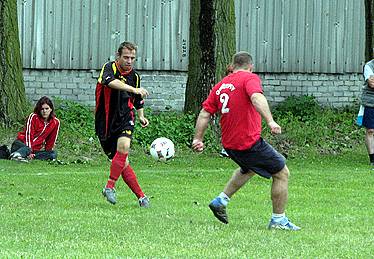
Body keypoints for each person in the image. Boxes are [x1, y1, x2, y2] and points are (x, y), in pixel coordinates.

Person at [192, 51, 301, 230]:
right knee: (282, 173)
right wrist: (270, 121)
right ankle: (278, 220)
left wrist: (198, 138)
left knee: (249, 168)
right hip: (247, 142)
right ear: (251, 67)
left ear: (232, 66)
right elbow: (256, 97)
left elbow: (205, 113)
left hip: (230, 145)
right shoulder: (249, 78)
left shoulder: (220, 85)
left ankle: (220, 201)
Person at [95, 41, 150, 208]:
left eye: (132, 58)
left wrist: (141, 116)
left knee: (124, 148)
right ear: (118, 56)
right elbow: (110, 82)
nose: (129, 61)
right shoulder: (109, 68)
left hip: (126, 117)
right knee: (122, 163)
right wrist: (133, 89)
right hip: (105, 121)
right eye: (126, 57)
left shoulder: (136, 76)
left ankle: (110, 186)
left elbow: (138, 100)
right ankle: (141, 196)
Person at [9, 96, 60, 163]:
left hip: (35, 150)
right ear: (39, 110)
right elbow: (28, 135)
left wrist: (47, 152)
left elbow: (51, 141)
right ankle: (17, 155)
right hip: (22, 144)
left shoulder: (55, 122)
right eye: (42, 109)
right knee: (27, 149)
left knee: (53, 154)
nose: (44, 111)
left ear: (51, 109)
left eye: (47, 109)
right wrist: (29, 151)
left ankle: (25, 156)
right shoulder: (33, 117)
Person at [361, 59, 374, 166]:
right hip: (370, 103)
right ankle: (372, 159)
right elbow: (372, 83)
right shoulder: (368, 66)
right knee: (370, 130)